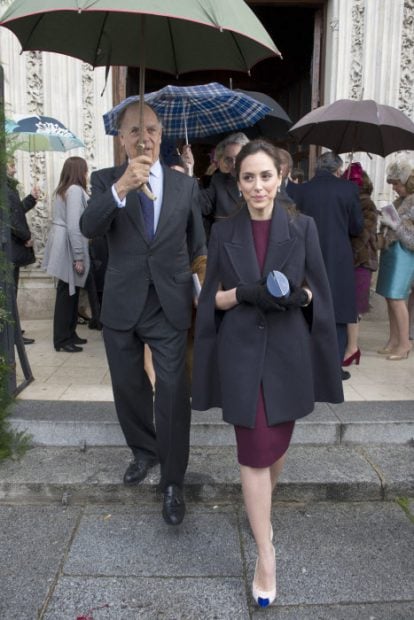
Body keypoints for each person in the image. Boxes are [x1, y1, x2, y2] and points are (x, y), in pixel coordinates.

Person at [192, 140, 343, 608]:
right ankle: (265, 553)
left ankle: (262, 512)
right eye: (247, 178)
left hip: (286, 353)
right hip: (240, 351)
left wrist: (300, 298)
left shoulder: (303, 228)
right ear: (237, 183)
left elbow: (319, 289)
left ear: (282, 176)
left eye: (265, 176)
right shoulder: (222, 232)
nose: (257, 186)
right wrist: (243, 293)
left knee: (275, 443)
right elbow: (210, 299)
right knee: (254, 450)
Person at [80, 102, 207, 526]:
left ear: (161, 133)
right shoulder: (103, 180)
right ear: (121, 138)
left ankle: (173, 480)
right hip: (121, 302)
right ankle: (143, 450)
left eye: (150, 129)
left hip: (168, 304)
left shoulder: (184, 186)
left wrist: (199, 289)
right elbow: (88, 227)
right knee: (129, 386)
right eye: (134, 130)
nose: (143, 137)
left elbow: (197, 245)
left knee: (172, 391)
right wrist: (121, 188)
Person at [293, 152, 364, 380]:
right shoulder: (349, 189)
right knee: (338, 313)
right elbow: (357, 227)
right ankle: (332, 369)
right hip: (339, 258)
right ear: (338, 169)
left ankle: (307, 367)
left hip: (306, 257)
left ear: (317, 168)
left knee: (308, 310)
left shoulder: (300, 190)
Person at [42, 157, 90, 353]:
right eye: (85, 170)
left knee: (71, 291)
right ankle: (62, 339)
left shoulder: (64, 189)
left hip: (63, 242)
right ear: (80, 171)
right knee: (66, 293)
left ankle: (70, 333)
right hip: (69, 246)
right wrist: (78, 256)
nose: (87, 174)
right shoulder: (75, 190)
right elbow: (73, 224)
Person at [375, 160, 414, 360]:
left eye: (397, 184)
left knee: (397, 298)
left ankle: (405, 344)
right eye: (392, 184)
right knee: (390, 297)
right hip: (392, 253)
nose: (394, 188)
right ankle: (393, 340)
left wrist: (396, 225)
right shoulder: (399, 202)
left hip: (405, 255)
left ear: (408, 181)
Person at [341, 163, 378, 366]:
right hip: (353, 261)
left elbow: (362, 234)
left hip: (361, 262)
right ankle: (349, 346)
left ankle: (352, 348)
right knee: (349, 305)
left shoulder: (366, 204)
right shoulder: (352, 201)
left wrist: (346, 254)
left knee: (353, 307)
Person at [7, 156, 40, 345]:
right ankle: (11, 336)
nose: (14, 169)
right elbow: (12, 220)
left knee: (12, 292)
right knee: (10, 293)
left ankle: (12, 331)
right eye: (11, 165)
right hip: (10, 250)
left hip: (11, 249)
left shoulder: (9, 187)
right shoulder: (5, 188)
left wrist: (31, 198)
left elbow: (17, 210)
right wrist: (26, 236)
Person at [199, 132, 249, 238]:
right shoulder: (219, 180)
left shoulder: (264, 181)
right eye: (229, 160)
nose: (234, 164)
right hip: (225, 245)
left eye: (238, 158)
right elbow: (202, 205)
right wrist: (189, 172)